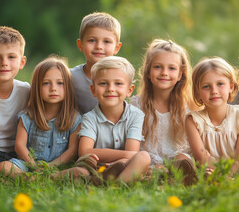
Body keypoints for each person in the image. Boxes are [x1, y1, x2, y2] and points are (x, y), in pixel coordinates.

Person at [0, 57, 82, 177]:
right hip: (28, 165)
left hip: (59, 166)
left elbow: (72, 151)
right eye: (46, 83)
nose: (53, 88)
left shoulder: (74, 118)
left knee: (79, 172)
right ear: (37, 87)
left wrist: (51, 166)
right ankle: (30, 178)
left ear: (68, 86)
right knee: (3, 167)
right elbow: (19, 146)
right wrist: (34, 166)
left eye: (60, 83)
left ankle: (50, 177)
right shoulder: (28, 116)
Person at [129, 39, 196, 185]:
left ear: (180, 75)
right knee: (142, 160)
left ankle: (173, 176)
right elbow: (134, 142)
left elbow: (190, 144)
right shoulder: (136, 105)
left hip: (177, 160)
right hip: (149, 161)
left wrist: (172, 163)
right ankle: (159, 176)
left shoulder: (188, 107)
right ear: (148, 72)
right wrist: (154, 164)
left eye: (172, 68)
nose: (164, 73)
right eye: (158, 67)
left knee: (184, 159)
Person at [77, 56, 151, 184]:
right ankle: (107, 178)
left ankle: (114, 185)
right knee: (81, 171)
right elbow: (84, 151)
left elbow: (132, 152)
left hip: (124, 165)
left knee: (144, 157)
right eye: (103, 83)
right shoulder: (90, 118)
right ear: (93, 90)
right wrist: (126, 156)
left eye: (118, 83)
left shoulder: (136, 115)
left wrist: (120, 160)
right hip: (96, 167)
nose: (110, 88)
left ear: (129, 90)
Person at [186, 57, 239, 176]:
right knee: (185, 161)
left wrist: (228, 174)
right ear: (197, 92)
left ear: (231, 87)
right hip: (207, 166)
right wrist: (218, 174)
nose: (214, 91)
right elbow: (201, 156)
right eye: (206, 86)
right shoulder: (193, 120)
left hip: (236, 166)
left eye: (220, 84)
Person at [0, 26, 30, 172]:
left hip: (18, 153)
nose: (4, 62)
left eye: (11, 57)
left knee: (8, 170)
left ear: (22, 62)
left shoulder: (26, 91)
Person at [71, 12, 122, 114]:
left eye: (106, 41)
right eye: (92, 40)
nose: (99, 46)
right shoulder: (70, 77)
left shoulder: (121, 79)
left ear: (116, 48)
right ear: (80, 45)